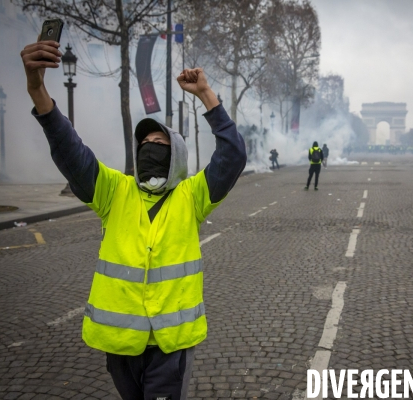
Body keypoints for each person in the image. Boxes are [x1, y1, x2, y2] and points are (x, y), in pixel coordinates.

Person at [21, 40, 246, 400]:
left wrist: (206, 95)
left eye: (159, 144)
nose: (149, 149)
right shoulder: (114, 191)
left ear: (177, 157)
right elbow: (70, 149)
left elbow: (232, 156)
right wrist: (37, 90)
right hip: (120, 345)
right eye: (144, 145)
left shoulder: (192, 196)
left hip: (169, 346)